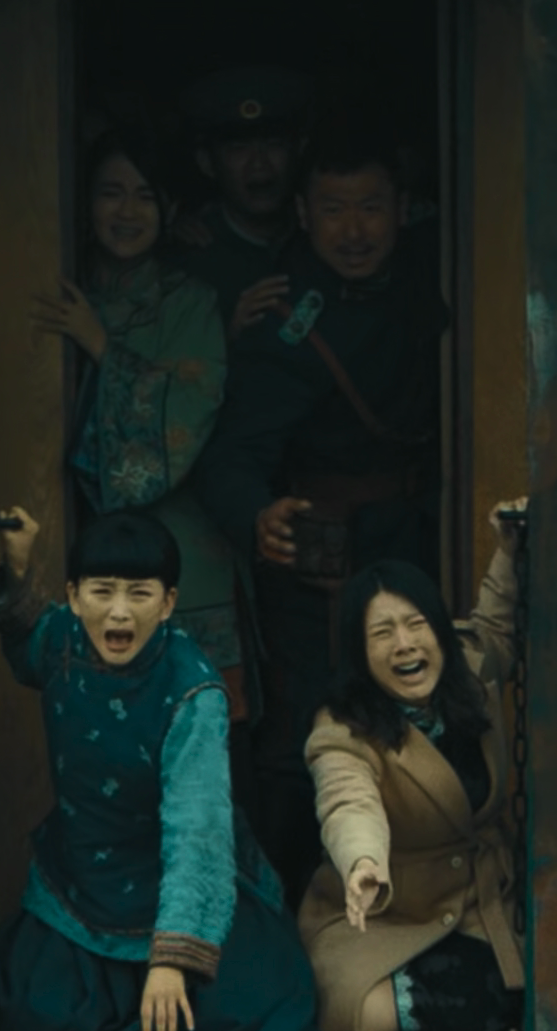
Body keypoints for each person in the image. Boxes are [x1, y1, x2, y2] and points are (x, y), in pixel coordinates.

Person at [0, 506, 333, 1031]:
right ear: (74, 597)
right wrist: (16, 570)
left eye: (139, 593)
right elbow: (25, 641)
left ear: (168, 603)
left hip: (177, 884)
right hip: (81, 886)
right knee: (26, 1015)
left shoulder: (192, 690)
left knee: (237, 1025)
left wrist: (171, 961)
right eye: (102, 591)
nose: (119, 611)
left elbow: (196, 830)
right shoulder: (61, 639)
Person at [197, 127, 453, 896]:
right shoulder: (284, 318)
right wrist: (258, 514)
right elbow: (230, 455)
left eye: (371, 207)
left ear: (404, 209)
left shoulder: (441, 269)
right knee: (308, 730)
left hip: (418, 539)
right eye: (334, 209)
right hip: (320, 556)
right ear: (304, 214)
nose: (354, 230)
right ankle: (290, 909)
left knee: (427, 716)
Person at [31, 126, 247, 719]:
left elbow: (188, 409)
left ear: (170, 210)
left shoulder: (190, 302)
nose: (126, 211)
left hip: (180, 545)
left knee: (188, 720)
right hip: (65, 536)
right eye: (111, 193)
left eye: (145, 196)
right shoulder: (51, 286)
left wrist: (101, 346)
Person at [299, 504, 528, 1031]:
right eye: (383, 633)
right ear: (360, 651)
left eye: (416, 624)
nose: (404, 644)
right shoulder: (341, 728)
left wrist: (510, 548)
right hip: (384, 916)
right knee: (369, 1019)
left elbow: (496, 622)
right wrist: (362, 861)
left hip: (477, 906)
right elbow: (347, 801)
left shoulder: (469, 671)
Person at [166, 63, 309, 339]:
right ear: (207, 163)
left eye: (273, 143)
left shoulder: (325, 240)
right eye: (238, 148)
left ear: (299, 151)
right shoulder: (187, 266)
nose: (259, 164)